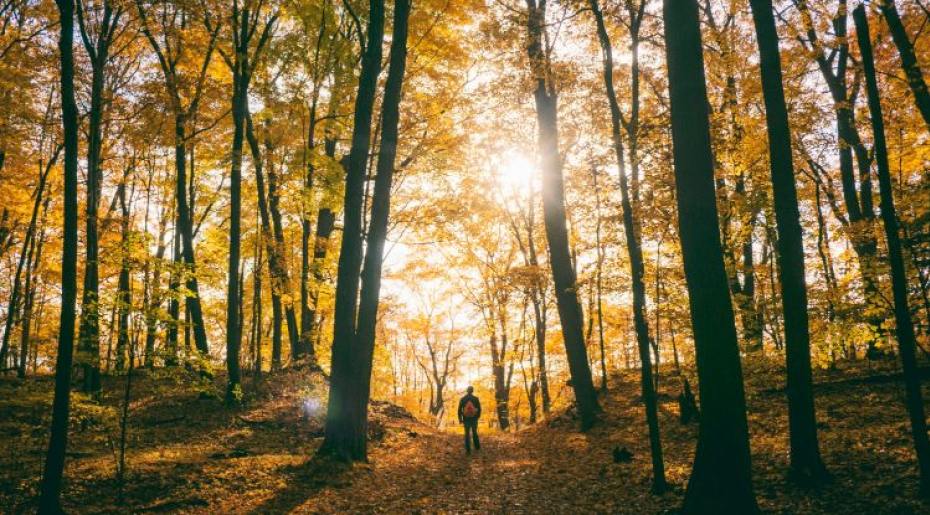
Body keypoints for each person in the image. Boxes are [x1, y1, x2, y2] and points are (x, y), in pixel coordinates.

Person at [458, 386, 482, 455]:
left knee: (467, 434)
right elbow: (479, 409)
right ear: (472, 391)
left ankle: (468, 450)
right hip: (474, 419)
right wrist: (477, 417)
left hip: (466, 419)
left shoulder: (463, 399)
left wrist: (460, 419)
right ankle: (477, 447)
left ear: (467, 391)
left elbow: (459, 410)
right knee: (475, 432)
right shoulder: (475, 399)